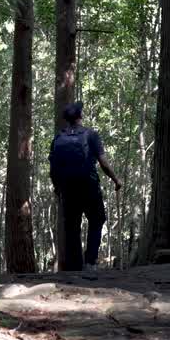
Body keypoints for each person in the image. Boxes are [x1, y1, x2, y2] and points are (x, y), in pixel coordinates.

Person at [48, 101, 121, 271]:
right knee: (97, 220)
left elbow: (53, 168)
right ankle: (90, 262)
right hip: (89, 185)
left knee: (72, 225)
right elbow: (103, 163)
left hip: (67, 188)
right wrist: (116, 180)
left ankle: (75, 266)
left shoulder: (58, 138)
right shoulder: (91, 135)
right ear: (80, 116)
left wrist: (57, 187)